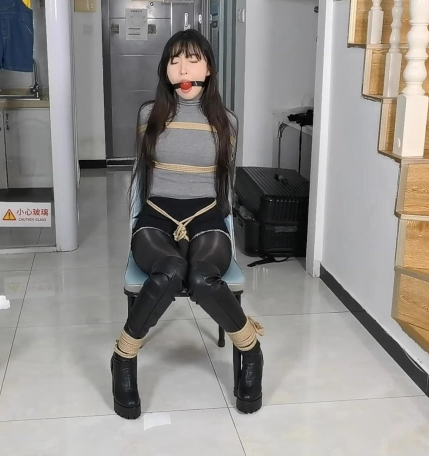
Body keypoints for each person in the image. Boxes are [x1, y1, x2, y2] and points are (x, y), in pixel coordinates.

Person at [111, 29, 264, 420]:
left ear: (208, 69)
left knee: (202, 278)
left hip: (207, 216)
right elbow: (142, 177)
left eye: (192, 60)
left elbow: (225, 182)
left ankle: (250, 350)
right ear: (165, 70)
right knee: (170, 270)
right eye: (174, 61)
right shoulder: (149, 114)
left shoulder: (227, 122)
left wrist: (222, 218)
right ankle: (123, 357)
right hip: (156, 217)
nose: (183, 69)